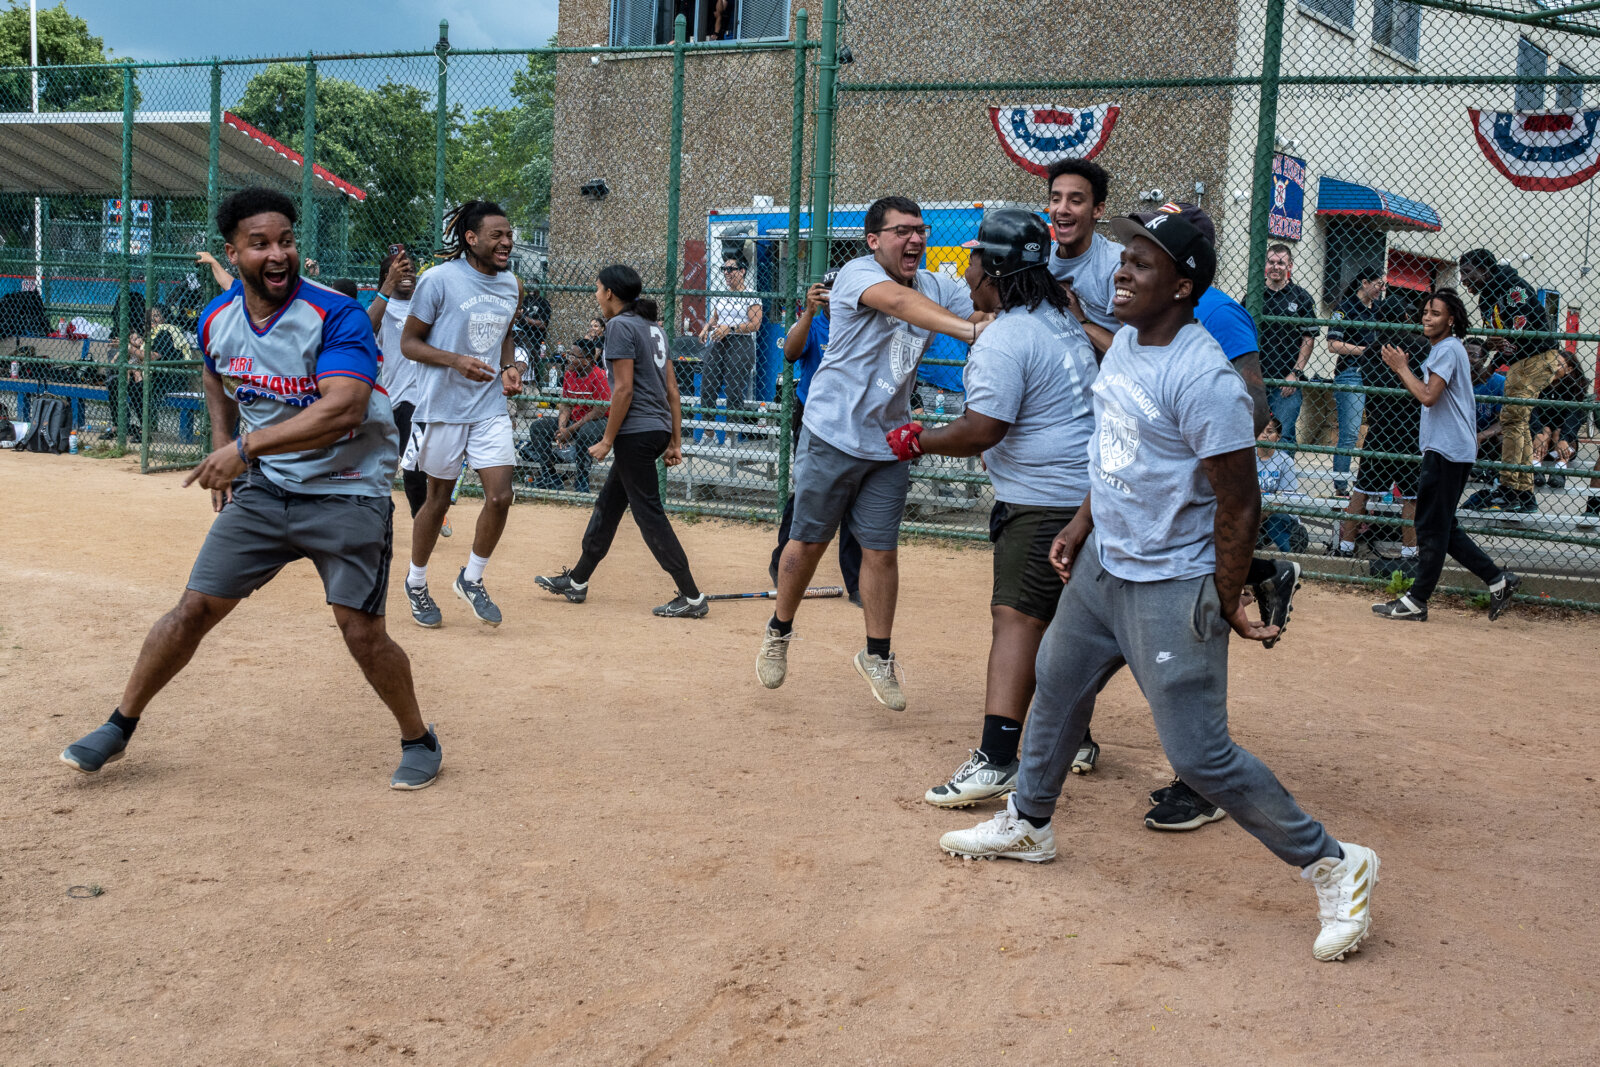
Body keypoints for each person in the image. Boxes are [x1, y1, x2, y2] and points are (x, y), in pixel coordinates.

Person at [938, 211, 1379, 964]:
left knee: (1200, 755)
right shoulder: (1129, 346)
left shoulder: (1204, 377)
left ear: (1182, 284)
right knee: (1056, 684)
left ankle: (1334, 861)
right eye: (1125, 258)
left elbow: (1240, 501)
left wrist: (1225, 593)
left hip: (1172, 581)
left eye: (1140, 263)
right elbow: (1118, 451)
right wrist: (1082, 524)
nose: (1121, 271)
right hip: (1107, 563)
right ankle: (1030, 820)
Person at [59, 187, 440, 790]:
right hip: (267, 489)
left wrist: (238, 450)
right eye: (260, 243)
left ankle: (419, 738)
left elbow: (345, 409)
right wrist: (223, 437)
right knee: (191, 610)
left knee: (360, 629)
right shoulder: (218, 318)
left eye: (286, 240)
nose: (277, 253)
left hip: (347, 490)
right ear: (232, 252)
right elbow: (216, 371)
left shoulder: (335, 315)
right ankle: (118, 725)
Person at [881, 209, 1098, 808]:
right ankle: (1073, 735)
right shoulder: (1057, 319)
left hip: (1042, 502)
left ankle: (998, 757)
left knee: (1016, 623)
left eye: (975, 257)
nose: (967, 267)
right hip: (1080, 496)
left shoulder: (1007, 335)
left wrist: (919, 439)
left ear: (995, 268)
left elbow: (982, 429)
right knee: (1063, 624)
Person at [755, 196, 985, 710]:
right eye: (902, 231)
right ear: (874, 240)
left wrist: (1000, 319)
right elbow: (902, 306)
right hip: (831, 434)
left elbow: (978, 306)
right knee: (808, 543)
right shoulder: (857, 276)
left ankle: (877, 655)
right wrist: (971, 330)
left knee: (880, 552)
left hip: (888, 441)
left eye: (920, 230)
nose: (916, 239)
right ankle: (780, 629)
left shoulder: (935, 284)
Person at [534, 265, 708, 617]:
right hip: (656, 428)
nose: (596, 295)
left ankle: (692, 597)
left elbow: (624, 389)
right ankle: (578, 580)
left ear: (610, 293)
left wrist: (608, 440)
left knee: (649, 515)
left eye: (598, 289)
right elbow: (672, 390)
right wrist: (674, 440)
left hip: (636, 433)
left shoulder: (618, 326)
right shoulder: (652, 329)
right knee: (609, 505)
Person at [399, 200, 526, 629]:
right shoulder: (438, 281)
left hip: (488, 407)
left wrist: (508, 366)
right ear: (471, 238)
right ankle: (416, 583)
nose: (506, 242)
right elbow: (409, 344)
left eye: (509, 235)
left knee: (501, 496)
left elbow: (505, 334)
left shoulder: (512, 285)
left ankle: (471, 578)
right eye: (497, 235)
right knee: (436, 501)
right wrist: (456, 361)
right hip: (442, 409)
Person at [1372, 290, 1521, 622]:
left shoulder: (1447, 349)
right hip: (1450, 448)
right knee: (1443, 527)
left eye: (1435, 313)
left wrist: (1401, 368)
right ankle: (1498, 580)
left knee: (1429, 526)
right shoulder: (1447, 349)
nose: (1427, 317)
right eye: (1425, 311)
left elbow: (1428, 396)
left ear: (1451, 319)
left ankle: (1417, 599)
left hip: (1448, 451)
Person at [771, 269, 863, 602]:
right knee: (808, 494)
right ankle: (782, 562)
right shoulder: (814, 324)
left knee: (855, 498)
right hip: (813, 417)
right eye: (827, 292)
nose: (833, 298)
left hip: (853, 419)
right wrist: (807, 313)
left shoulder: (861, 323)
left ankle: (856, 583)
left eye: (840, 292)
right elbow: (791, 354)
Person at [1458, 248, 1560, 513]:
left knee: (1512, 420)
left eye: (1467, 272)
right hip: (1519, 362)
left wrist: (1499, 349)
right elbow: (1498, 340)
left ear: (1484, 270)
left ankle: (1508, 487)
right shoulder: (1486, 299)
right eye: (1461, 274)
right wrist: (1492, 360)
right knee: (1517, 422)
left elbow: (1517, 332)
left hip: (1536, 357)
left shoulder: (1511, 287)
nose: (1464, 279)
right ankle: (1523, 493)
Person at [1330, 289, 1427, 567]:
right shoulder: (1420, 345)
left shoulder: (1373, 350)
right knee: (1411, 496)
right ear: (1406, 317)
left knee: (1362, 491)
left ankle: (1346, 546)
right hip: (1410, 427)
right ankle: (1409, 553)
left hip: (1381, 427)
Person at [366, 247, 451, 537]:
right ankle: (380, 521)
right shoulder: (381, 306)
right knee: (379, 468)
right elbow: (365, 331)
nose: (408, 273)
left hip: (420, 398)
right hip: (388, 398)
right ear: (387, 275)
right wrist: (387, 287)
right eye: (399, 268)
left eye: (410, 268)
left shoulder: (424, 305)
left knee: (414, 470)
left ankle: (425, 517)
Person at [1043, 158, 1122, 353]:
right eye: (1055, 199)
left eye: (1075, 201)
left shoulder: (1118, 265)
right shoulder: (1041, 260)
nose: (1062, 209)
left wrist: (1079, 320)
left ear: (1098, 210)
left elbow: (1135, 356)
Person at [524, 339, 611, 491]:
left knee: (586, 432)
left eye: (573, 356)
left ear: (587, 360)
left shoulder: (600, 376)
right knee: (538, 427)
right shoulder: (570, 374)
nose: (567, 357)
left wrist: (570, 431)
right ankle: (550, 476)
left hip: (598, 422)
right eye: (569, 354)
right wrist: (562, 428)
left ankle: (582, 478)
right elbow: (565, 404)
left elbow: (599, 411)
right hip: (573, 421)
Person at [1260, 243, 1319, 444]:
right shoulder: (1254, 295)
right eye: (1271, 262)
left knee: (1284, 436)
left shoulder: (1302, 298)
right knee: (1249, 435)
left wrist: (1296, 373)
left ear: (1290, 266)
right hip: (1256, 378)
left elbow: (1308, 338)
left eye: (1281, 263)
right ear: (1266, 264)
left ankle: (1283, 476)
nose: (1276, 267)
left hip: (1286, 381)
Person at [698, 252, 763, 425]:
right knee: (708, 386)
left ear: (742, 271)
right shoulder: (722, 294)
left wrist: (731, 328)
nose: (726, 273)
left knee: (734, 390)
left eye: (731, 269)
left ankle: (730, 435)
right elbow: (716, 317)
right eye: (724, 269)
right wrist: (705, 328)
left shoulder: (751, 294)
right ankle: (708, 432)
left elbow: (755, 324)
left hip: (740, 342)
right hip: (719, 340)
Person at [1530, 351, 1588, 488]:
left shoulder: (1575, 387)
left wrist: (1564, 438)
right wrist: (1537, 432)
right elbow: (1533, 411)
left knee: (1556, 432)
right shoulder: (1537, 384)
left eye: (1557, 365)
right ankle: (1535, 467)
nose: (1551, 368)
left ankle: (1560, 468)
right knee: (1546, 430)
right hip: (1539, 440)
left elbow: (1573, 417)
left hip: (1563, 443)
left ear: (1569, 369)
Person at [1257, 416, 1309, 552]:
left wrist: (1259, 518)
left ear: (1278, 437)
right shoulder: (1246, 458)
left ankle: (1292, 556)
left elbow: (1283, 499)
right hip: (1251, 508)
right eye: (1260, 430)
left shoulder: (1285, 461)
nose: (1263, 435)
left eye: (1269, 431)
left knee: (1276, 521)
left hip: (1273, 512)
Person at [1469, 339, 1505, 479]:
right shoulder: (1453, 379)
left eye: (1473, 355)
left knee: (1504, 437)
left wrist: (1482, 435)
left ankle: (1496, 470)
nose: (1468, 359)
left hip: (1486, 439)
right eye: (1464, 354)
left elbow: (1505, 420)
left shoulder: (1498, 382)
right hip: (1459, 436)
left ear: (1484, 359)